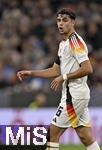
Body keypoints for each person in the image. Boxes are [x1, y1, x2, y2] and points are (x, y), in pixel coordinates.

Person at [17, 8, 100, 150]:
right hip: (76, 95)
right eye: (59, 20)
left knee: (52, 134)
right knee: (86, 137)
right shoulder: (63, 44)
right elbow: (55, 70)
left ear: (73, 22)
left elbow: (87, 68)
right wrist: (31, 73)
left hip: (74, 96)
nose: (61, 23)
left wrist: (65, 76)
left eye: (65, 20)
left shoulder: (75, 41)